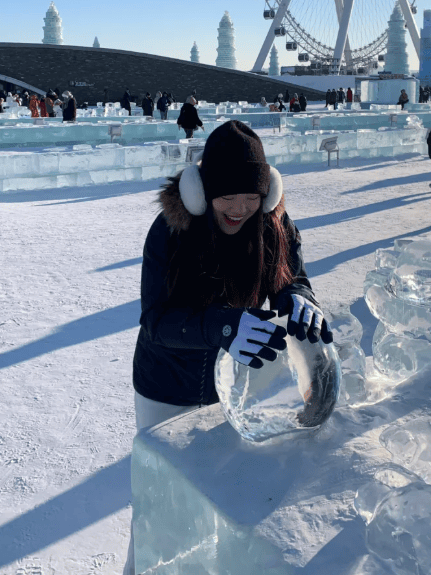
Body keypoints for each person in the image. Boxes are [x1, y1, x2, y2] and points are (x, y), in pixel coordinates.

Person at [123, 120, 333, 573]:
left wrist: (299, 298)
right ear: (202, 192)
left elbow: (290, 278)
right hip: (166, 387)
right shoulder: (170, 231)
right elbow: (156, 320)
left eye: (251, 197)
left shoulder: (274, 223)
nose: (240, 208)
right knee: (163, 504)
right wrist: (223, 326)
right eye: (227, 197)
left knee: (213, 500)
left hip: (229, 387)